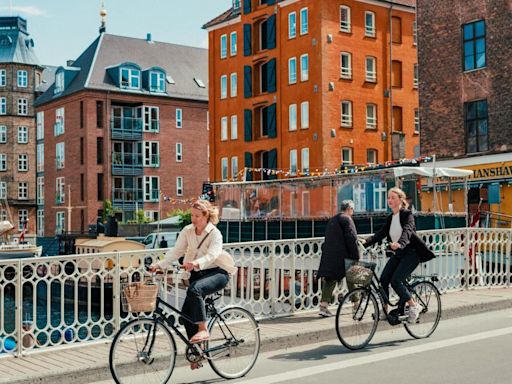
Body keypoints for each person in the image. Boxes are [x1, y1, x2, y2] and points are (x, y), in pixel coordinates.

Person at [150, 199, 237, 369]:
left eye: (197, 216)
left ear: (206, 216)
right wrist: (159, 265)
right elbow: (177, 251)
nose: (193, 219)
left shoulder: (214, 234)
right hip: (197, 274)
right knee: (185, 316)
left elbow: (212, 255)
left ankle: (203, 329)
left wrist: (196, 263)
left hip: (217, 272)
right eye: (192, 215)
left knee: (194, 290)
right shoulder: (187, 231)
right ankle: (198, 352)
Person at [364, 187, 435, 323]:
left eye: (393, 198)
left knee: (396, 280)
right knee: (384, 279)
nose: (390, 200)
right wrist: (365, 242)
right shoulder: (391, 218)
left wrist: (400, 243)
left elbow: (407, 231)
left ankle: (414, 306)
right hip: (399, 254)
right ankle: (384, 310)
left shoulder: (407, 215)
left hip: (411, 254)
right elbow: (381, 233)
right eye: (388, 198)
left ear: (400, 200)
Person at [317, 200, 360, 317]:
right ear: (349, 209)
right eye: (352, 209)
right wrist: (356, 255)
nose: (353, 212)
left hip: (330, 255)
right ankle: (356, 305)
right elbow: (352, 238)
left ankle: (323, 307)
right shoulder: (347, 219)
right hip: (344, 255)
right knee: (352, 278)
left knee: (330, 279)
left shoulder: (333, 220)